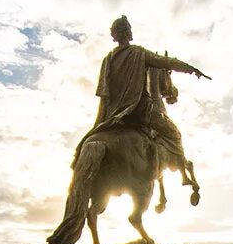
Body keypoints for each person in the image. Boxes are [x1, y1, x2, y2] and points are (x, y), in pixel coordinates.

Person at [73, 15, 210, 176]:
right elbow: (166, 62)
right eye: (129, 29)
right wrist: (191, 69)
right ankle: (182, 172)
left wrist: (99, 124)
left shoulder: (107, 59)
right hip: (139, 111)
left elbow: (104, 94)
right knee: (174, 133)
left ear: (114, 35)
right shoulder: (139, 52)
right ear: (128, 32)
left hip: (111, 115)